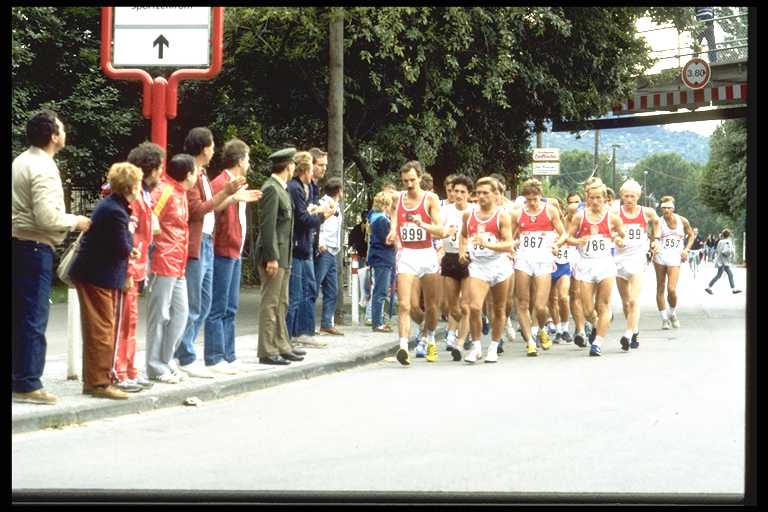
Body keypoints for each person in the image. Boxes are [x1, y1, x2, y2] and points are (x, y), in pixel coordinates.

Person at [12, 109, 91, 405]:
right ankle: (28, 384)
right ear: (54, 136)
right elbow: (46, 217)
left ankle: (19, 378)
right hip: (35, 247)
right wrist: (76, 221)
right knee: (33, 317)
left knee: (20, 316)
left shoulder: (20, 161)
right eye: (61, 127)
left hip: (19, 243)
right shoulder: (43, 167)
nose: (64, 132)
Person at [176, 127, 251, 379]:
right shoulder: (193, 175)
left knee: (206, 303)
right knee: (198, 303)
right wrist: (228, 193)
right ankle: (188, 355)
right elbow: (198, 209)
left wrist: (233, 196)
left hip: (208, 243)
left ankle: (202, 355)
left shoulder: (204, 175)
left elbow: (212, 206)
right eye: (211, 145)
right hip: (202, 243)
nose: (214, 150)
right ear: (204, 147)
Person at [70, 162, 144, 399]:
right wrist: (132, 250)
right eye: (138, 183)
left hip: (96, 273)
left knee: (98, 328)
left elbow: (120, 242)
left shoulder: (114, 206)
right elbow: (122, 245)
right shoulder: (115, 211)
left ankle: (95, 380)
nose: (140, 188)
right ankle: (100, 383)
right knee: (102, 328)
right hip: (97, 275)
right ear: (130, 186)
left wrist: (128, 247)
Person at [205, 138, 264, 371]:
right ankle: (214, 356)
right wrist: (233, 197)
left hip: (235, 249)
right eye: (248, 159)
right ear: (240, 161)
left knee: (231, 306)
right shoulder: (220, 182)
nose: (249, 163)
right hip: (223, 248)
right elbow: (213, 210)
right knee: (218, 306)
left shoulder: (237, 183)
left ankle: (229, 355)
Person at [113, 142, 165, 392]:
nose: (161, 174)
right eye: (159, 168)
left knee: (131, 320)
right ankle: (120, 372)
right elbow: (128, 234)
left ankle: (130, 369)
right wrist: (127, 268)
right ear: (151, 169)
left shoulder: (143, 194)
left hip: (139, 263)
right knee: (123, 320)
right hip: (129, 265)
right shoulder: (132, 197)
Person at [387, 161, 447, 366]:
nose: (409, 184)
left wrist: (423, 223)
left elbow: (439, 229)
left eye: (412, 180)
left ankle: (430, 339)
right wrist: (393, 230)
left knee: (431, 306)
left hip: (427, 254)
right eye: (405, 181)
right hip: (407, 255)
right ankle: (403, 346)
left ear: (420, 178)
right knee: (405, 304)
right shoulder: (398, 197)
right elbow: (395, 216)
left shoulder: (430, 198)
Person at [145, 154, 198, 383]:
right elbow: (147, 215)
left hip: (178, 265)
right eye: (195, 171)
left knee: (181, 314)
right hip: (162, 261)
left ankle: (166, 361)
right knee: (160, 316)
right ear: (188, 174)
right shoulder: (165, 191)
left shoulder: (181, 193)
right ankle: (155, 366)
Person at [255, 148, 305, 365]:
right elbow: (268, 228)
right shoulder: (272, 189)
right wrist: (271, 257)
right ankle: (267, 350)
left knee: (281, 302)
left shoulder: (280, 189)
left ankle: (281, 345)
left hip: (283, 255)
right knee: (270, 303)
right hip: (274, 255)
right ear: (288, 166)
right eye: (293, 164)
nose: (294, 167)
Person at [458, 177, 515, 363]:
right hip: (478, 266)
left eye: (485, 193)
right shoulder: (469, 215)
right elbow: (464, 235)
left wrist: (488, 244)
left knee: (498, 309)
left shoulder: (502, 216)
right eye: (478, 193)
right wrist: (462, 250)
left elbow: (508, 244)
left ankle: (493, 346)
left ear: (494, 195)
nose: (481, 196)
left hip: (499, 265)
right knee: (474, 307)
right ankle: (476, 347)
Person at [567, 178, 626, 357]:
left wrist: (618, 239)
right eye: (591, 198)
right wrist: (578, 240)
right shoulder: (580, 216)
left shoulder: (612, 217)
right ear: (587, 198)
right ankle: (598, 322)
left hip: (605, 263)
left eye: (598, 198)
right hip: (586, 264)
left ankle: (597, 343)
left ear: (605, 198)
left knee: (603, 305)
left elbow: (622, 235)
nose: (595, 202)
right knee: (587, 309)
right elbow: (568, 237)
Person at [510, 178, 568, 357]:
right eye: (528, 200)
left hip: (543, 259)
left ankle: (541, 328)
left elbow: (563, 233)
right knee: (523, 302)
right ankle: (530, 341)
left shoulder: (550, 211)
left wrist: (557, 244)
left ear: (540, 196)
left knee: (541, 306)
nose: (532, 203)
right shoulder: (517, 213)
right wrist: (511, 247)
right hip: (524, 259)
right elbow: (510, 236)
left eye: (535, 199)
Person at [287, 151, 334, 347]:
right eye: (320, 165)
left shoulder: (311, 186)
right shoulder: (296, 187)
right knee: (296, 293)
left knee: (310, 288)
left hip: (307, 245)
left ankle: (304, 331)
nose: (323, 169)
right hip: (298, 246)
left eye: (324, 165)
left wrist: (317, 211)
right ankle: (290, 334)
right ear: (308, 167)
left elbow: (309, 211)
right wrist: (323, 215)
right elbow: (303, 217)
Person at [613, 179, 661, 351]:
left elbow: (657, 222)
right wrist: (616, 237)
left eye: (632, 196)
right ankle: (634, 329)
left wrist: (656, 240)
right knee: (625, 302)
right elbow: (609, 228)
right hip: (619, 259)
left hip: (638, 258)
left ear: (638, 196)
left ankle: (627, 334)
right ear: (621, 196)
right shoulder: (615, 211)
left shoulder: (646, 212)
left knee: (634, 300)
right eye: (626, 196)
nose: (629, 199)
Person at [438, 175, 473, 358]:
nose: (457, 194)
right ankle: (468, 326)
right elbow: (436, 231)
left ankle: (460, 342)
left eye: (462, 191)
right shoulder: (444, 211)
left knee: (466, 305)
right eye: (455, 191)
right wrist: (445, 232)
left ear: (469, 194)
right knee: (451, 307)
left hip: (469, 259)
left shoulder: (474, 211)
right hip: (450, 258)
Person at [653, 195, 695, 330]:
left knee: (671, 289)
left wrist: (686, 250)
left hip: (675, 257)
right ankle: (664, 319)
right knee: (660, 287)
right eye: (663, 208)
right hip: (660, 256)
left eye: (668, 208)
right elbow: (655, 235)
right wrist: (655, 243)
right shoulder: (658, 222)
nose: (666, 211)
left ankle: (672, 313)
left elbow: (691, 235)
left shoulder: (682, 221)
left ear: (673, 208)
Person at [314, 177, 345, 335]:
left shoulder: (336, 205)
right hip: (325, 249)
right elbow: (319, 223)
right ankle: (307, 325)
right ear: (339, 190)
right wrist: (320, 243)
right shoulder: (322, 203)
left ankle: (327, 322)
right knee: (315, 285)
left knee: (332, 289)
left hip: (333, 250)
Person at [367, 192, 397, 332]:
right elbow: (388, 240)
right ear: (386, 205)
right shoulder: (381, 220)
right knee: (381, 291)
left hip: (380, 257)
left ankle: (378, 321)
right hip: (382, 257)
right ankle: (377, 323)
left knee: (380, 291)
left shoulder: (375, 218)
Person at [705, 229, 742, 295]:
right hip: (724, 262)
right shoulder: (729, 241)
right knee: (724, 275)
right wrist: (733, 258)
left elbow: (717, 250)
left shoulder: (720, 241)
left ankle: (733, 289)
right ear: (729, 235)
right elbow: (731, 251)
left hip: (720, 261)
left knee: (724, 275)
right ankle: (709, 287)